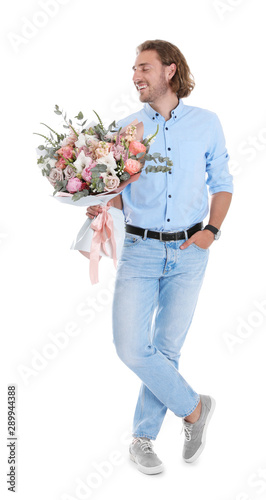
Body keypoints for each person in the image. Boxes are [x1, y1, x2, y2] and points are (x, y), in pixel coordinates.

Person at [86, 39, 233, 475]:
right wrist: (99, 203)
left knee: (166, 350)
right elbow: (117, 191)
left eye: (144, 68)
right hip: (141, 249)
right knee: (132, 347)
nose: (136, 76)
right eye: (134, 69)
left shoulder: (207, 124)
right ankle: (194, 409)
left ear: (170, 70)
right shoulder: (126, 129)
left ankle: (143, 439)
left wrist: (211, 232)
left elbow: (222, 182)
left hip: (191, 251)